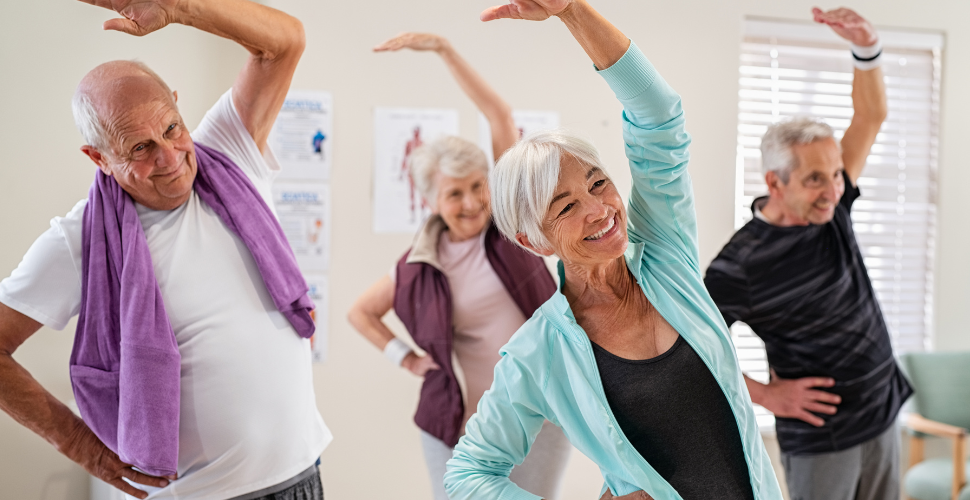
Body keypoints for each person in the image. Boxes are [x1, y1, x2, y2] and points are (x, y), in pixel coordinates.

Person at [0, 0, 331, 499]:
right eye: (139, 148)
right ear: (98, 157)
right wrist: (79, 444)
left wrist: (181, 7)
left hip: (302, 476)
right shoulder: (81, 239)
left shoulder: (228, 152)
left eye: (171, 129)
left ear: (180, 109)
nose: (171, 159)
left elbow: (285, 41)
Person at [444, 1, 783, 499]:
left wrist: (572, 11)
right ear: (532, 240)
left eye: (598, 183)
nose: (599, 210)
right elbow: (468, 475)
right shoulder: (539, 351)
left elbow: (660, 117)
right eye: (564, 208)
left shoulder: (666, 257)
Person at [348, 32, 572, 500]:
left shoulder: (511, 228)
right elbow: (360, 313)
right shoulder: (417, 265)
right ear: (430, 200)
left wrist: (444, 51)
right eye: (455, 193)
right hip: (456, 426)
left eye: (478, 186)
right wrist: (404, 357)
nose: (472, 203)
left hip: (538, 415)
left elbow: (499, 116)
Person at [703, 8, 911, 500]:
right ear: (774, 181)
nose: (833, 188)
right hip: (824, 438)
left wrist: (866, 46)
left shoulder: (832, 207)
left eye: (836, 173)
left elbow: (871, 115)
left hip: (882, 411)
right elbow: (692, 346)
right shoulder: (741, 263)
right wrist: (766, 395)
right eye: (815, 178)